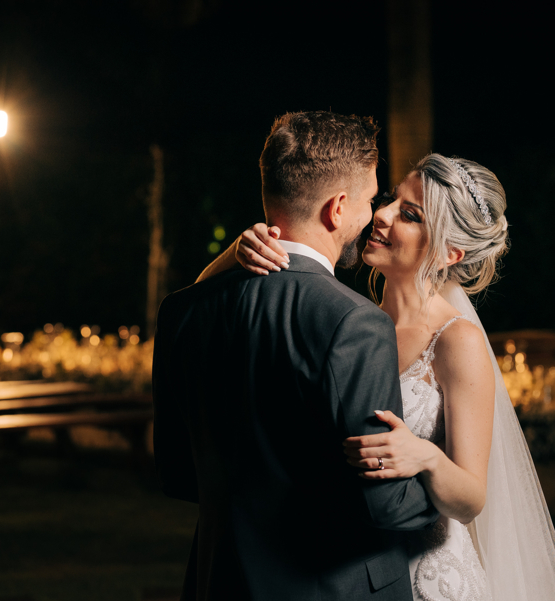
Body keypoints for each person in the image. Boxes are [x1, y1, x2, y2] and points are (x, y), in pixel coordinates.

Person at [207, 153, 555, 600]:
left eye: (409, 215)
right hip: (346, 569)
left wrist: (426, 457)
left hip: (428, 575)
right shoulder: (353, 324)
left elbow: (471, 499)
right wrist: (236, 254)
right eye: (390, 199)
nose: (383, 214)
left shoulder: (456, 341)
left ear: (449, 253)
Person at [153, 111, 440, 601]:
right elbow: (384, 501)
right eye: (370, 200)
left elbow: (178, 474)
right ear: (338, 208)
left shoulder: (182, 310)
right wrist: (445, 495)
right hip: (331, 586)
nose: (373, 215)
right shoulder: (356, 322)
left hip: (219, 582)